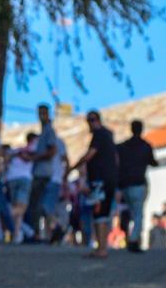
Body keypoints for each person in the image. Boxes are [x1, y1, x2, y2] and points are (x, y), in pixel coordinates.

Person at [72, 110, 120, 258]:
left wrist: (73, 167)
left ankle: (101, 248)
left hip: (100, 180)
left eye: (91, 121)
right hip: (109, 180)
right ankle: (102, 246)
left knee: (99, 213)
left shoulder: (99, 135)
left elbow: (90, 154)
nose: (90, 125)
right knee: (104, 214)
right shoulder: (109, 136)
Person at [116, 119, 158, 252]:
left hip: (125, 184)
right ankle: (134, 239)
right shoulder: (145, 146)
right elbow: (153, 162)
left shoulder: (122, 147)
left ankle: (131, 237)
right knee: (138, 213)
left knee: (132, 212)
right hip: (138, 183)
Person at [26, 103, 61, 238]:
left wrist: (36, 157)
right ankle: (49, 230)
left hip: (43, 172)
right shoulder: (43, 131)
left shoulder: (49, 131)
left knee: (37, 204)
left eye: (43, 113)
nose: (41, 116)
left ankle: (40, 232)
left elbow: (52, 151)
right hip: (40, 171)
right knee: (39, 204)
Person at [4, 133, 37, 244]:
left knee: (18, 207)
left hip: (12, 178)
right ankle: (7, 213)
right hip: (24, 178)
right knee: (21, 207)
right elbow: (29, 158)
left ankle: (17, 234)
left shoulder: (16, 150)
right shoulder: (31, 148)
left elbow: (6, 158)